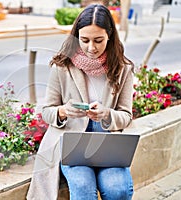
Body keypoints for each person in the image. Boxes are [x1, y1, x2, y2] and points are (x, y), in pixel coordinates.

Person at [27, 4, 134, 200]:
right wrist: (62, 111)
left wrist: (107, 114)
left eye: (98, 40)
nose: (91, 48)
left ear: (110, 35)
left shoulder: (123, 68)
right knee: (83, 189)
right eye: (84, 40)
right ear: (76, 36)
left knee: (118, 189)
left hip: (107, 142)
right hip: (72, 142)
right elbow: (46, 111)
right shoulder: (62, 65)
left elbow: (126, 116)